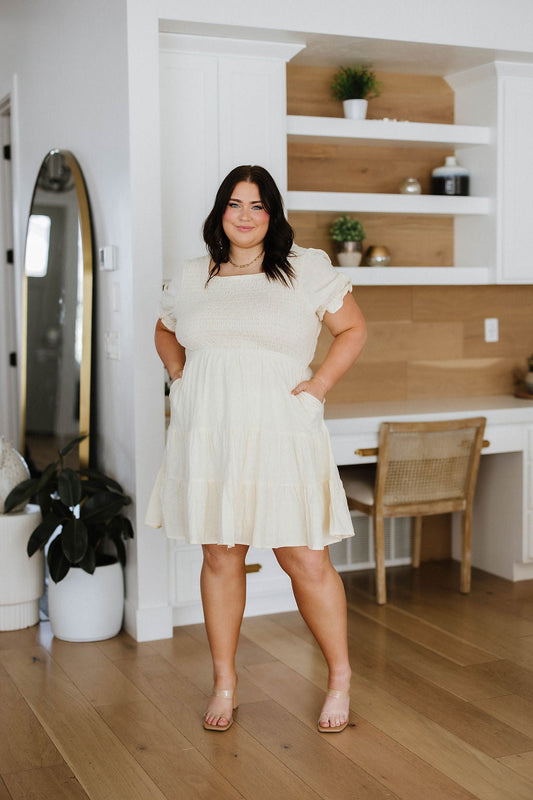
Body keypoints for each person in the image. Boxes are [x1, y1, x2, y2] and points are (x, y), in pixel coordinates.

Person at [146, 165, 367, 734]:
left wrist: (317, 387)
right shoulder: (194, 275)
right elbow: (165, 328)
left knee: (304, 557)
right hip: (211, 430)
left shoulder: (305, 269)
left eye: (258, 206)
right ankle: (225, 681)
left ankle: (339, 677)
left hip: (281, 428)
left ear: (273, 215)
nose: (245, 216)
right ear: (221, 212)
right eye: (235, 204)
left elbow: (353, 331)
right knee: (220, 553)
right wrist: (180, 376)